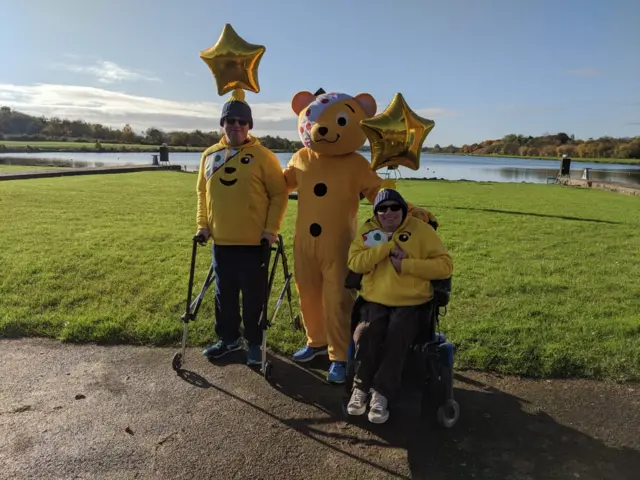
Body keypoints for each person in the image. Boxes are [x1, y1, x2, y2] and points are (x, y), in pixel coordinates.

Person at [196, 89, 288, 366]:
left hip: (254, 243)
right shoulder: (210, 155)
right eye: (230, 121)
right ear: (222, 124)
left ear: (249, 126)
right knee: (224, 295)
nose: (236, 126)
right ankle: (228, 339)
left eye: (242, 121)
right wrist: (203, 225)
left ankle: (255, 343)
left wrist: (270, 230)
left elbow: (279, 194)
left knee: (252, 298)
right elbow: (202, 193)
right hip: (221, 242)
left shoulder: (263, 156)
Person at [345, 188, 453, 424]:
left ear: (403, 210)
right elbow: (354, 263)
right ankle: (360, 390)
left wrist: (407, 265)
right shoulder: (368, 232)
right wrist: (382, 249)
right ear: (376, 212)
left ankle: (381, 394)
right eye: (382, 208)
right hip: (376, 300)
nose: (389, 212)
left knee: (398, 332)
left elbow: (445, 266)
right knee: (365, 332)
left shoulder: (421, 230)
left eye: (395, 207)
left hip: (412, 302)